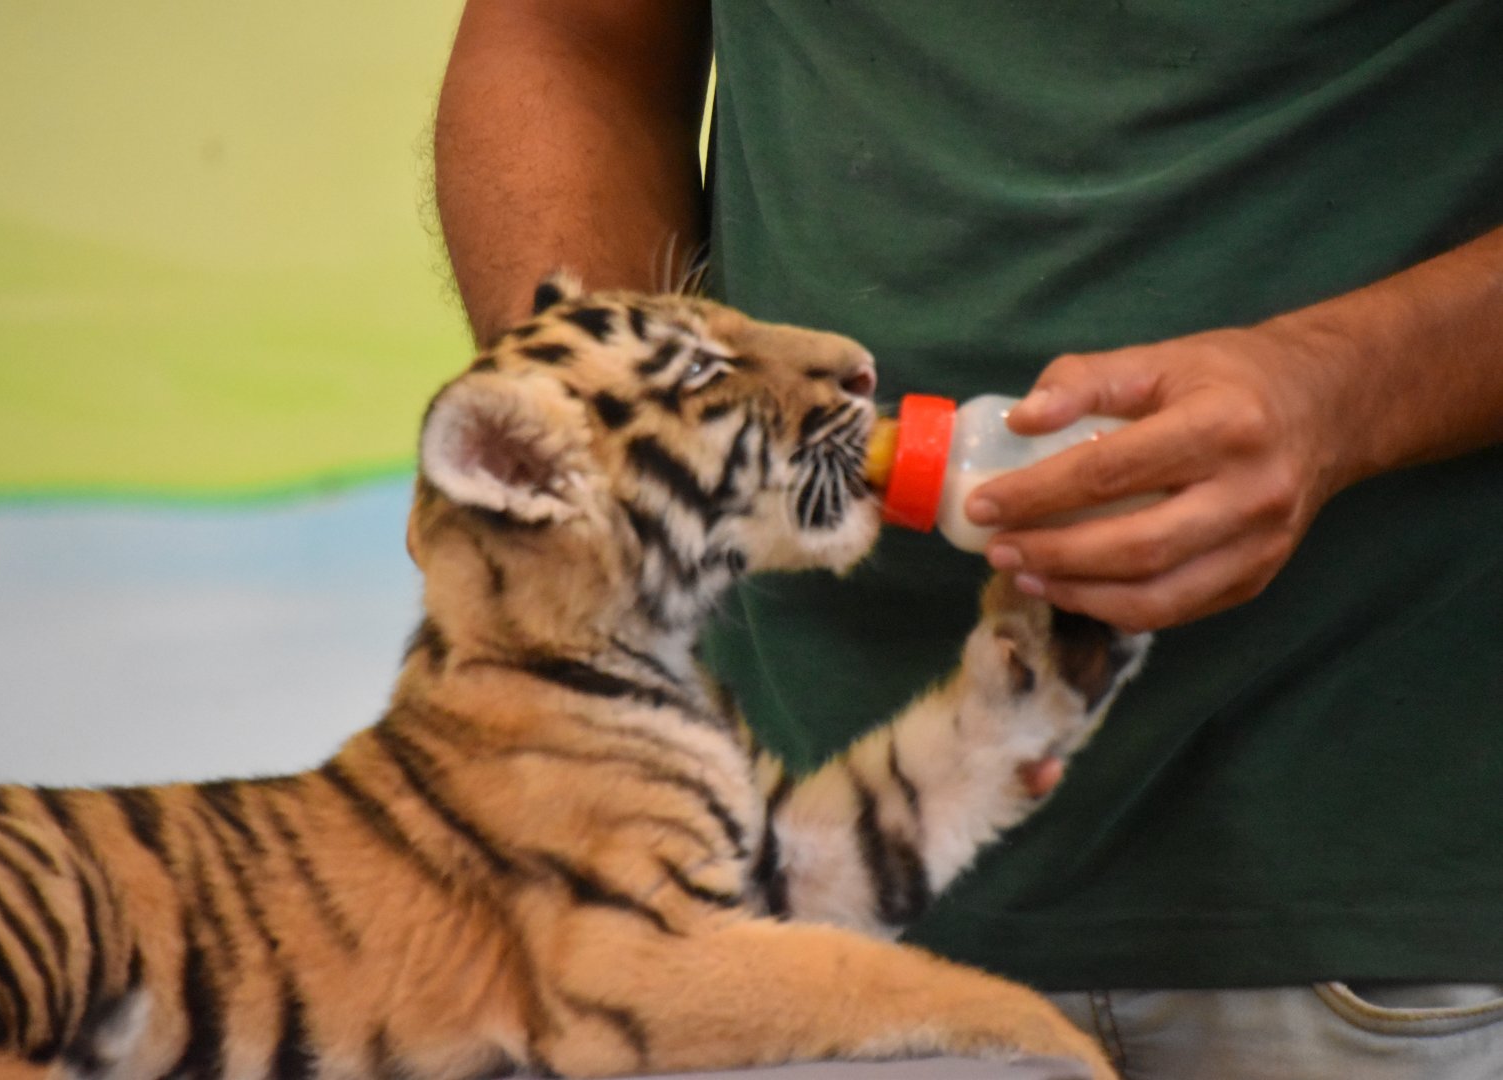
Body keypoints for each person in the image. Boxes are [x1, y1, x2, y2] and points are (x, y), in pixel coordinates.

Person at [432, 3, 1503, 1076]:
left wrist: (1339, 393)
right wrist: (604, 419)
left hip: (1401, 894)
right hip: (769, 897)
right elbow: (564, 37)